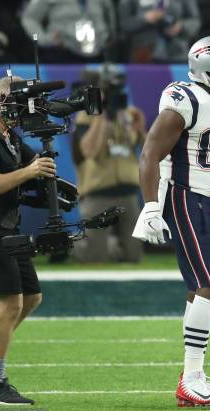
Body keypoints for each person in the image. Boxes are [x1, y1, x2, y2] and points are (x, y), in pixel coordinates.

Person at [132, 35, 210, 407]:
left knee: (199, 286)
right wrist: (152, 206)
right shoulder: (183, 99)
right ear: (209, 69)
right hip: (182, 195)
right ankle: (192, 378)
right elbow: (150, 154)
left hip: (204, 199)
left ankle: (192, 377)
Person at [0, 76, 56, 405]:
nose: (22, 116)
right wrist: (29, 172)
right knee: (9, 303)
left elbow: (34, 169)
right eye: (19, 107)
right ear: (0, 101)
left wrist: (56, 192)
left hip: (8, 228)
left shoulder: (8, 136)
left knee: (32, 297)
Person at [71, 66, 145, 263]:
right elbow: (89, 151)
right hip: (98, 190)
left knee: (133, 256)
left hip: (128, 190)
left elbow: (146, 152)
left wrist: (141, 129)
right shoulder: (87, 115)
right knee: (95, 258)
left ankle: (110, 245)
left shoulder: (128, 113)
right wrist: (102, 117)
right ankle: (77, 245)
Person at [21, 0, 114, 63]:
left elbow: (110, 16)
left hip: (97, 54)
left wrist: (108, 36)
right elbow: (29, 17)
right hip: (62, 54)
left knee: (96, 91)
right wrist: (44, 39)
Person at [118, 0, 201, 63]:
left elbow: (195, 21)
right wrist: (144, 19)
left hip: (177, 54)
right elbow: (123, 24)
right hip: (142, 55)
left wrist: (181, 26)